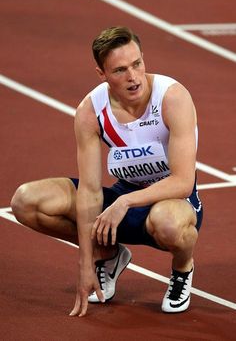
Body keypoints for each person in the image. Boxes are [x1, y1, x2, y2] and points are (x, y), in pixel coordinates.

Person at [11, 26, 203, 317]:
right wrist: (86, 262)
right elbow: (88, 190)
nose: (133, 77)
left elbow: (183, 182)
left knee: (169, 223)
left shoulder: (171, 98)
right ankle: (108, 255)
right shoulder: (91, 111)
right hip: (122, 199)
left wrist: (124, 202)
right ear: (101, 73)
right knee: (25, 201)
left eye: (137, 64)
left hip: (172, 203)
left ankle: (182, 269)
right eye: (120, 70)